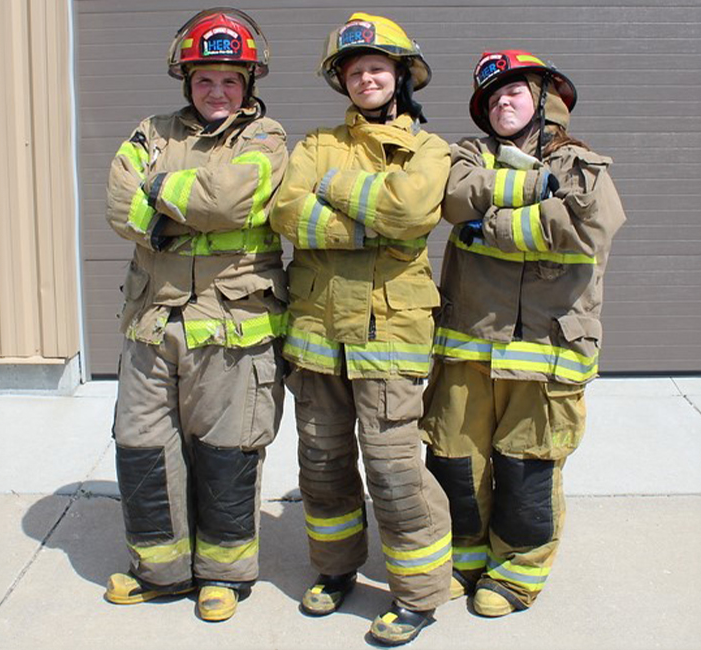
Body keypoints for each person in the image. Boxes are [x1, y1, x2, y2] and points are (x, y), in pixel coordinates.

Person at [267, 12, 452, 646]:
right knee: (321, 464)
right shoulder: (313, 142)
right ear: (340, 80)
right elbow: (286, 214)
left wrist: (334, 189)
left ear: (401, 76)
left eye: (378, 67)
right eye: (354, 69)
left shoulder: (430, 148)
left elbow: (412, 209)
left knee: (394, 468)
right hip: (317, 332)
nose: (366, 77)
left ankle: (420, 594)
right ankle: (334, 569)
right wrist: (373, 222)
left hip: (390, 335)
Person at [423, 50, 626, 618]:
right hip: (467, 343)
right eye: (492, 97)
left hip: (547, 350)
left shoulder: (582, 162)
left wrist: (491, 230)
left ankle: (515, 575)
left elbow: (588, 231)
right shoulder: (465, 157)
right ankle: (462, 562)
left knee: (527, 463)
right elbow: (453, 200)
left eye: (514, 91)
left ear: (544, 99)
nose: (501, 102)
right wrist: (542, 194)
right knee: (455, 457)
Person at [102, 7, 287, 623]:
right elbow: (117, 201)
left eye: (230, 80)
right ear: (187, 82)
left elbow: (234, 199)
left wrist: (160, 192)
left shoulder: (265, 139)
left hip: (232, 329)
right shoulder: (150, 130)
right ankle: (160, 571)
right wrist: (185, 204)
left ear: (248, 85)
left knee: (226, 450)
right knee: (142, 445)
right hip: (152, 323)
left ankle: (222, 575)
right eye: (205, 79)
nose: (217, 90)